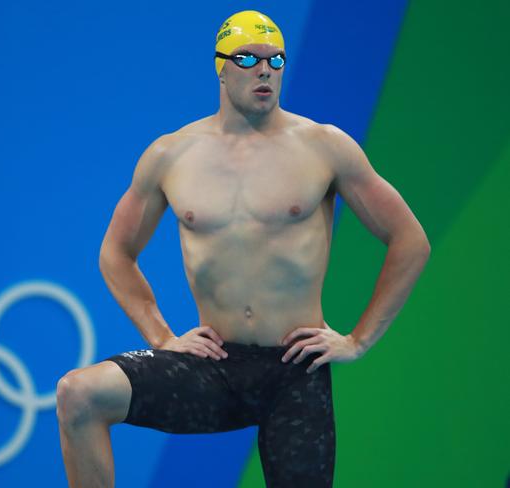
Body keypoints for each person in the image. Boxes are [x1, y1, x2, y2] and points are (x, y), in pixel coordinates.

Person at [56, 9, 430, 488]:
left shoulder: (325, 147)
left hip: (297, 372)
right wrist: (161, 336)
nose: (264, 71)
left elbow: (409, 240)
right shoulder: (171, 155)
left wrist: (358, 341)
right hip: (215, 367)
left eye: (276, 60)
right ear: (221, 65)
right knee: (78, 393)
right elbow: (115, 253)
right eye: (249, 58)